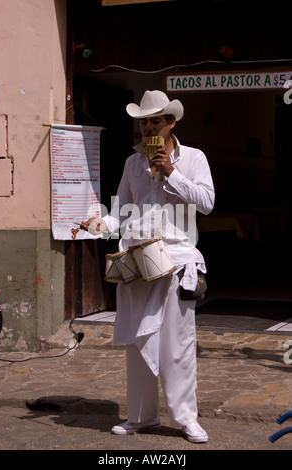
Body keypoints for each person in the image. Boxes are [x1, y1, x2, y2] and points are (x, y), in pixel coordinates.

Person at [81, 90, 215, 443]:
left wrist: (172, 173)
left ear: (172, 122)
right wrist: (100, 225)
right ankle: (142, 417)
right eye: (143, 122)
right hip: (138, 263)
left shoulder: (194, 158)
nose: (148, 127)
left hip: (177, 262)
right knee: (138, 344)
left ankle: (187, 419)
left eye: (156, 120)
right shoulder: (131, 164)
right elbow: (120, 210)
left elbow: (207, 203)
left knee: (178, 345)